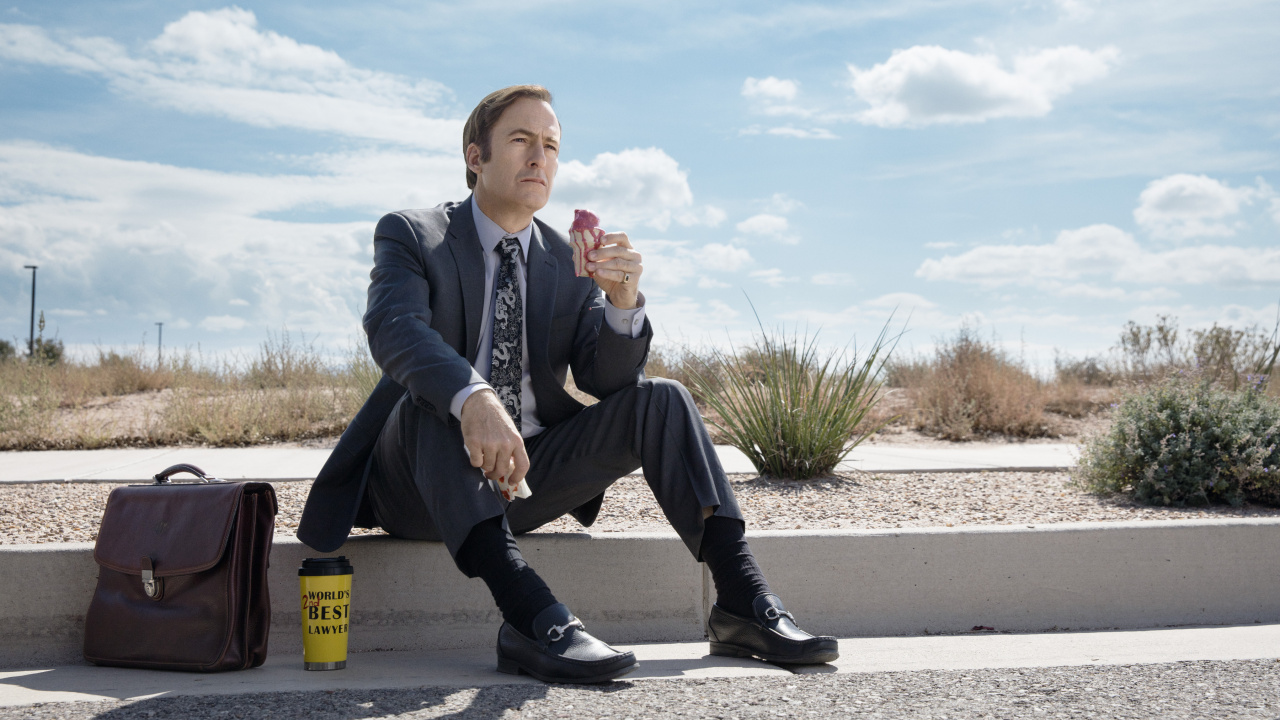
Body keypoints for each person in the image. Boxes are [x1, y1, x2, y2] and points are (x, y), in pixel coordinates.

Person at [298, 85, 837, 683]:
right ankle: (533, 617)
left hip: (526, 476)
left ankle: (743, 603)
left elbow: (606, 381)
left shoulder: (566, 259)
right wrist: (473, 397)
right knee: (433, 398)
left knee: (664, 399)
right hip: (419, 486)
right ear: (476, 156)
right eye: (522, 140)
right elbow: (394, 328)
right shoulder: (413, 234)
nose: (539, 158)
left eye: (551, 146)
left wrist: (622, 306)